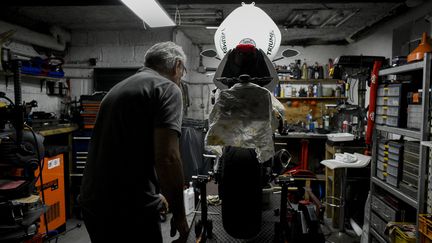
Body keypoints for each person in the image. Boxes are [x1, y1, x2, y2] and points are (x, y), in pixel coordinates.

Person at [79, 41, 189, 243]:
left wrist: (155, 196)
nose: (182, 77)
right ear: (177, 66)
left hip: (94, 202)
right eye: (183, 71)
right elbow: (168, 158)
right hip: (127, 208)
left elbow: (126, 150)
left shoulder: (118, 88)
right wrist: (180, 215)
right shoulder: (167, 88)